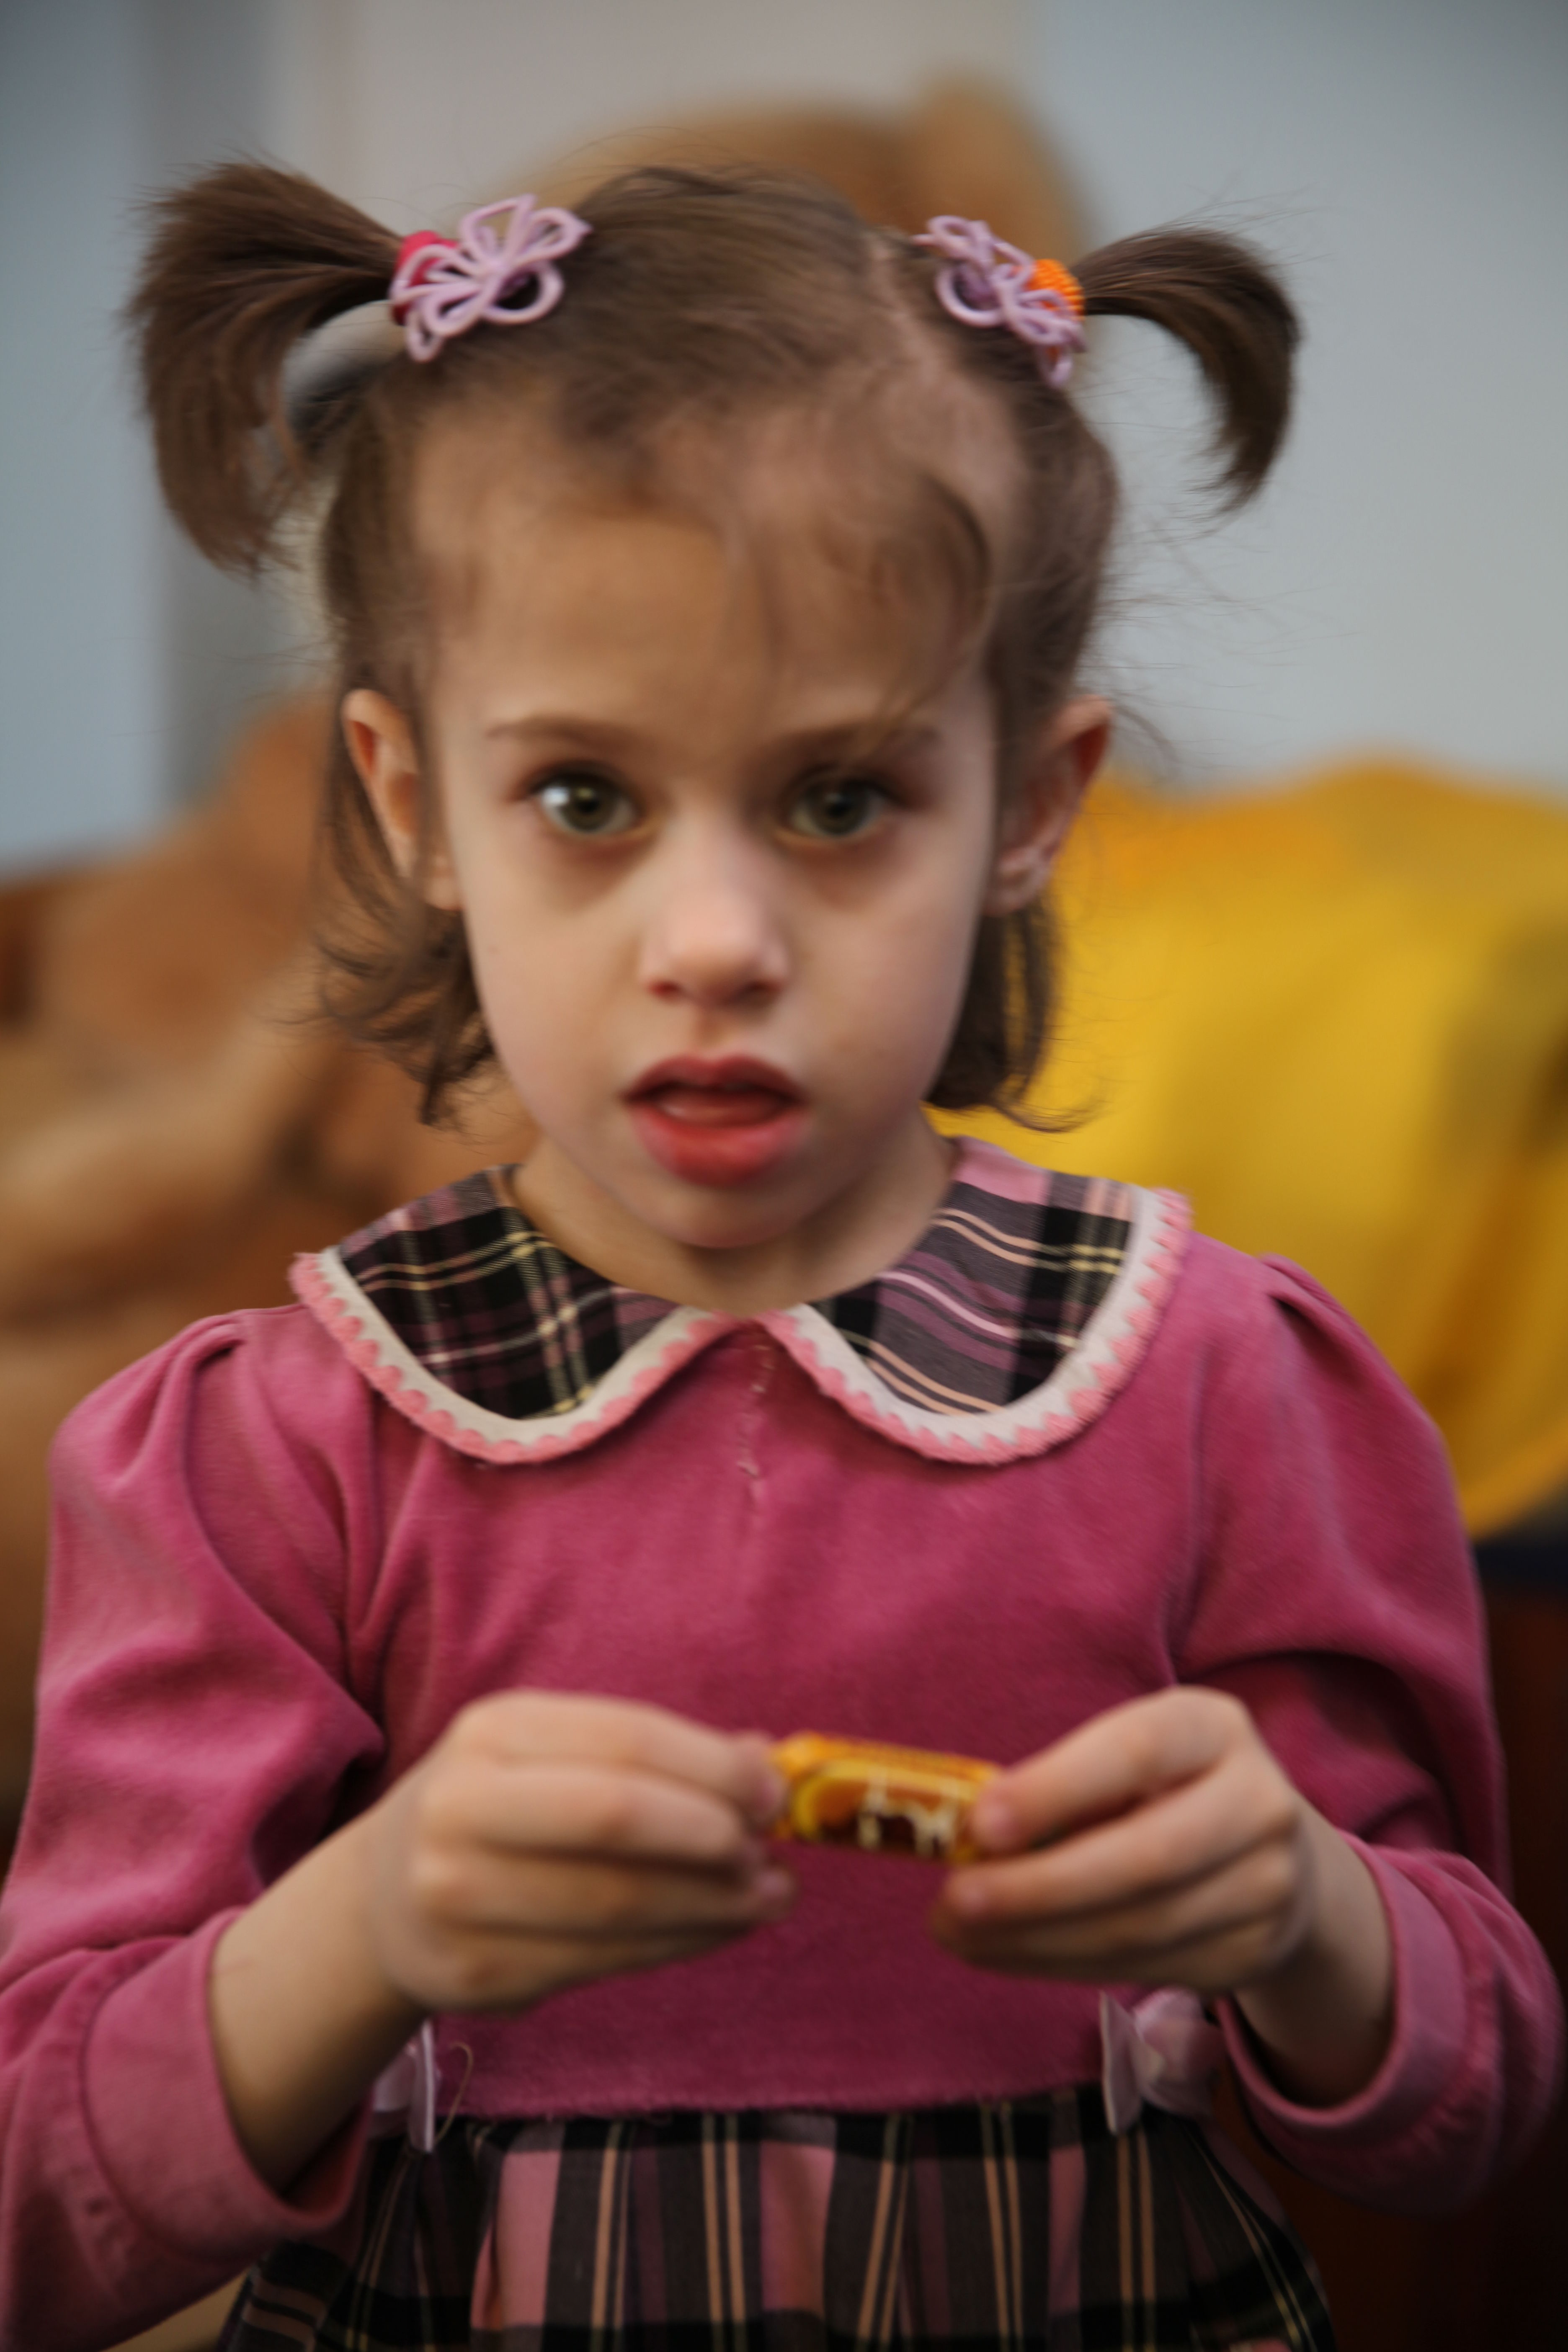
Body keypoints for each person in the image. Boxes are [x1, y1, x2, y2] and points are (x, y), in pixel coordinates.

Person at [0, 162, 1557, 2352]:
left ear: (1030, 803)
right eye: (585, 798)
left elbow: (1474, 2098)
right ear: (413, 802)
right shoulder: (271, 1457)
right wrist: (357, 1932)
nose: (716, 943)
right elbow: (40, 2213)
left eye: (837, 800)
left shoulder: (1221, 1383)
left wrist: (1312, 1919)